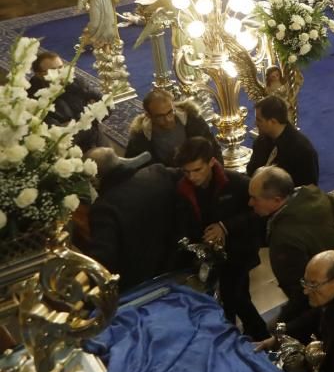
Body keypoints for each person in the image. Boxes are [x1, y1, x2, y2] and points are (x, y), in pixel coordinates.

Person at [175, 136, 267, 340]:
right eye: (186, 171)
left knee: (234, 297)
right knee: (233, 299)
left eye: (197, 170)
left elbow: (257, 213)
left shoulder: (237, 184)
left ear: (211, 163)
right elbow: (181, 222)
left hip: (239, 252)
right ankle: (252, 336)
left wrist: (225, 227)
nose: (191, 177)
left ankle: (247, 337)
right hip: (207, 256)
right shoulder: (182, 189)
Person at [247, 166, 334, 324]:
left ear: (276, 200)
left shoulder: (284, 238)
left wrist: (281, 327)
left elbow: (300, 295)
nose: (250, 203)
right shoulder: (313, 196)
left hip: (319, 304)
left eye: (255, 198)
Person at [84, 148, 179, 292]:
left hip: (136, 288)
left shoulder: (104, 208)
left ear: (95, 179)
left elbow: (102, 262)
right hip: (176, 267)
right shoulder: (158, 173)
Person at [29, 50, 105, 151]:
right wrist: (90, 114)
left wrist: (88, 119)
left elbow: (106, 103)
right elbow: (53, 131)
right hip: (65, 146)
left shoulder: (76, 81)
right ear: (39, 75)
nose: (61, 73)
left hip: (92, 132)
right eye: (53, 70)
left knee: (113, 160)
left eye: (61, 67)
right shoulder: (33, 97)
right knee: (105, 158)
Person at [125, 88, 214, 166]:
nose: (168, 119)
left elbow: (213, 146)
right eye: (160, 116)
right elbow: (131, 164)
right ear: (148, 115)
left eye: (170, 112)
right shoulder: (140, 135)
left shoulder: (192, 118)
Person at [246, 96, 320, 187]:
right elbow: (251, 171)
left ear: (273, 122)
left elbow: (308, 191)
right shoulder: (260, 142)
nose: (255, 124)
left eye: (259, 120)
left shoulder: (303, 151)